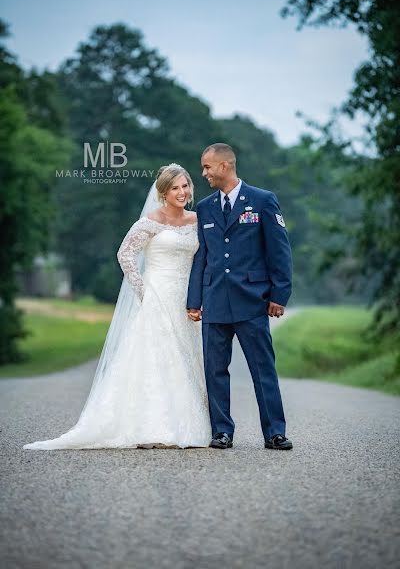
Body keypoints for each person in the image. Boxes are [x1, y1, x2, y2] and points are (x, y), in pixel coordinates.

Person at [23, 164, 212, 450]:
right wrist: (143, 290)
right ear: (163, 192)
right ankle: (154, 426)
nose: (182, 192)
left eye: (185, 186)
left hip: (187, 298)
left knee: (187, 356)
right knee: (159, 356)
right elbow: (125, 254)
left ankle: (189, 423)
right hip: (158, 295)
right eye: (175, 188)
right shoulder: (150, 221)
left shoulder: (197, 220)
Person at [187, 143, 293, 450]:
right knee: (215, 370)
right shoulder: (205, 208)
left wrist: (279, 294)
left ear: (224, 166)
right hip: (215, 301)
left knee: (263, 369)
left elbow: (279, 252)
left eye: (207, 167)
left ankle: (275, 432)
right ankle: (222, 431)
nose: (203, 173)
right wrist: (194, 301)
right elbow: (201, 258)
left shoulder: (262, 201)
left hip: (252, 300)